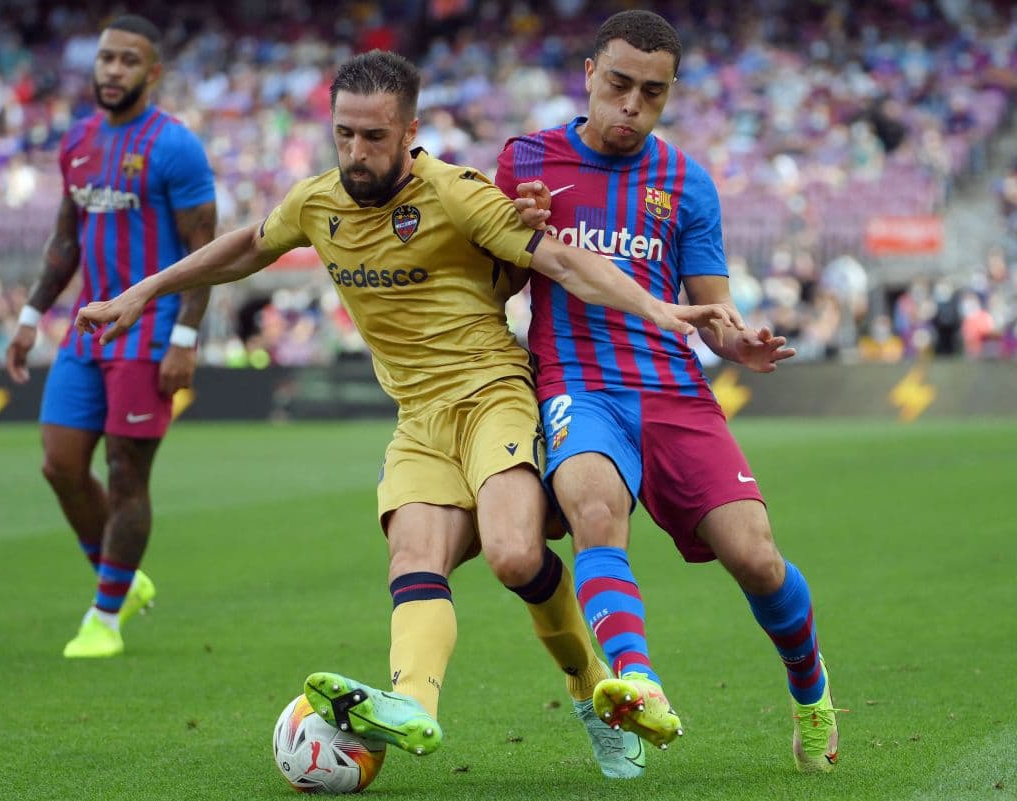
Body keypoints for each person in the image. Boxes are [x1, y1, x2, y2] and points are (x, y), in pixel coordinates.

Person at [75, 50, 741, 777]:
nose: (357, 152)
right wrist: (142, 293)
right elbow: (243, 247)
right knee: (414, 558)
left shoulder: (455, 191)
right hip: (419, 418)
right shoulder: (317, 202)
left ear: (409, 130)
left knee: (516, 555)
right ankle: (414, 706)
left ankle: (589, 689)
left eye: (374, 137)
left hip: (493, 394)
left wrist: (658, 307)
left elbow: (558, 262)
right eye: (345, 135)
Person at [495, 10, 842, 773]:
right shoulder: (526, 159)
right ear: (589, 74)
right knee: (594, 508)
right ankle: (636, 683)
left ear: (669, 93)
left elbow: (710, 310)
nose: (631, 106)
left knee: (755, 558)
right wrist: (514, 237)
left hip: (672, 391)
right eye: (618, 84)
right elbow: (497, 280)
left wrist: (736, 340)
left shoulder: (686, 181)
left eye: (652, 93)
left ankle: (811, 690)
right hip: (578, 382)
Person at [5, 15, 216, 660]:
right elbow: (66, 239)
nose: (112, 70)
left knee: (126, 474)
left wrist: (184, 337)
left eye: (128, 61)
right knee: (60, 466)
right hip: (86, 332)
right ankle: (122, 576)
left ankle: (105, 615)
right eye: (105, 59)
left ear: (152, 74)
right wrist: (29, 315)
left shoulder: (175, 147)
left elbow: (203, 250)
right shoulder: (78, 141)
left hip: (149, 332)